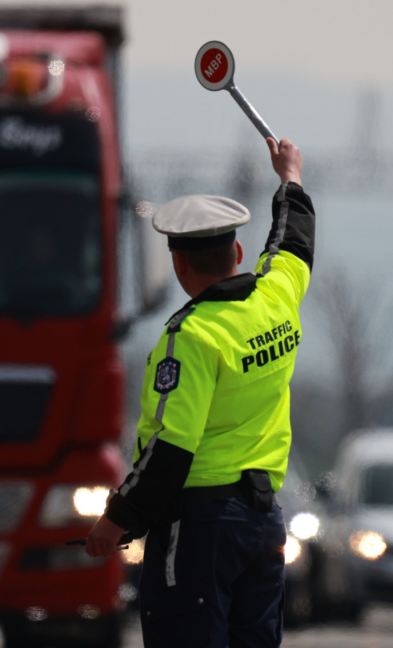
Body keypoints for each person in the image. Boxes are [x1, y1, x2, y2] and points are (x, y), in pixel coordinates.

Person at [85, 137, 314, 647]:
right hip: (262, 521)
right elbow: (293, 240)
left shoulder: (189, 337)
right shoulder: (277, 298)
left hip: (200, 528)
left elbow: (171, 449)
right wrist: (290, 177)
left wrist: (117, 518)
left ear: (179, 266)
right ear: (237, 251)